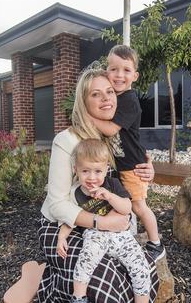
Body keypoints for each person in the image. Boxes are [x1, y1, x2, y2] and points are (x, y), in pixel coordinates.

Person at [37, 68, 159, 302]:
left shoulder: (115, 137)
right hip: (63, 224)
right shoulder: (67, 140)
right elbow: (57, 205)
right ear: (83, 102)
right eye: (95, 94)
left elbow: (126, 181)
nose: (106, 98)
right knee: (102, 284)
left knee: (142, 270)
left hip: (106, 220)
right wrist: (103, 222)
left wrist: (148, 170)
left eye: (110, 91)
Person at [90, 45, 165, 262]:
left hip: (134, 166)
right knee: (125, 205)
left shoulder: (129, 100)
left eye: (126, 70)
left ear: (135, 75)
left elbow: (111, 129)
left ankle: (156, 244)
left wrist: (86, 116)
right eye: (114, 69)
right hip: (123, 164)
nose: (119, 75)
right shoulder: (112, 97)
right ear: (106, 71)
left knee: (139, 206)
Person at [57, 139, 151, 303]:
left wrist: (109, 196)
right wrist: (61, 237)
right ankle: (79, 298)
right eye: (85, 171)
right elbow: (71, 218)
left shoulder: (112, 185)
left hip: (122, 236)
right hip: (95, 235)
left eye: (98, 171)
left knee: (140, 266)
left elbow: (127, 208)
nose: (92, 177)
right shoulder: (75, 193)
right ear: (75, 170)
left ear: (106, 169)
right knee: (85, 261)